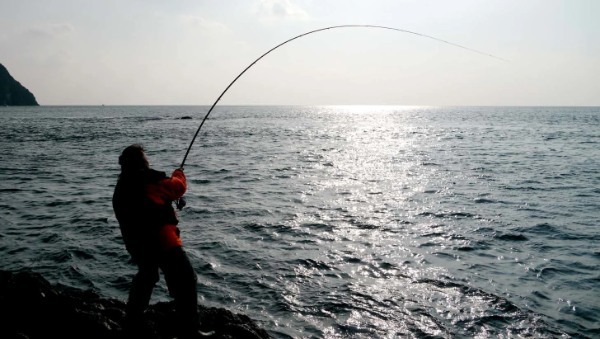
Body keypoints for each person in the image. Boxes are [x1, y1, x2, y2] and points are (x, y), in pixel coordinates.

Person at [112, 144, 210, 338]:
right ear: (141, 162)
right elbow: (178, 188)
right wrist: (179, 173)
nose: (148, 162)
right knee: (186, 280)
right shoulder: (150, 180)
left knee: (147, 275)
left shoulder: (122, 186)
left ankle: (132, 322)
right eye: (146, 159)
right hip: (163, 242)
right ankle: (189, 330)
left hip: (138, 244)